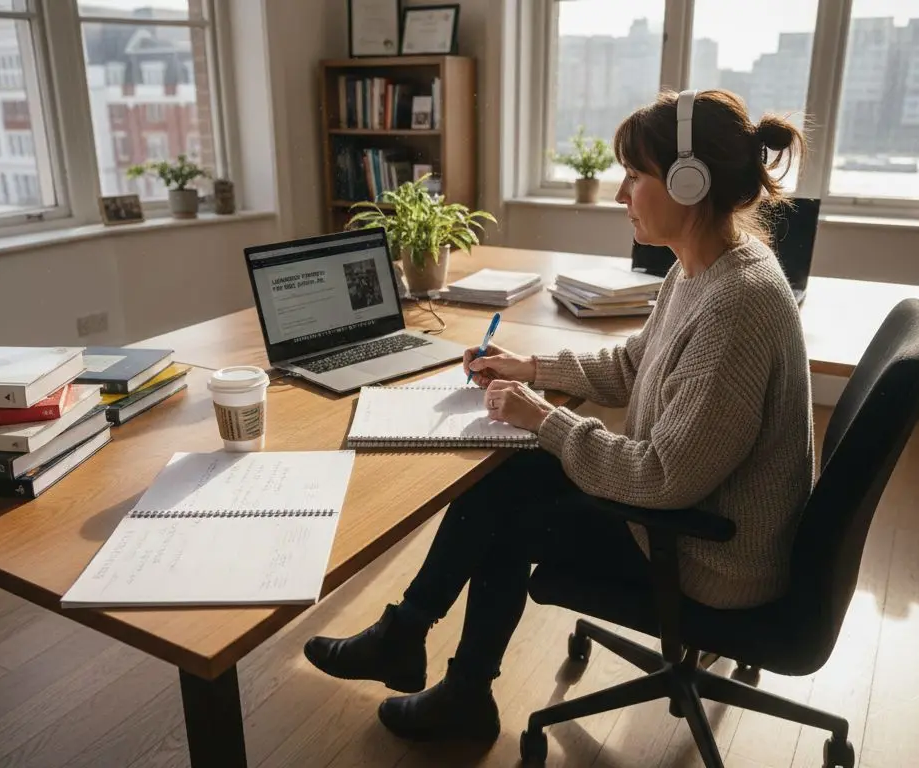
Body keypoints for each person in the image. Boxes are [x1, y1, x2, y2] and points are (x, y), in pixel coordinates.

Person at [303, 88, 815, 744]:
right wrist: (531, 370)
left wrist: (545, 420)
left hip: (711, 559)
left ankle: (438, 671)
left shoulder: (736, 303)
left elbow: (663, 477)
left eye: (633, 175)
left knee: (509, 511)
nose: (619, 193)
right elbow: (633, 364)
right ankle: (416, 646)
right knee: (508, 475)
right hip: (697, 517)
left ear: (690, 183)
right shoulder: (704, 270)